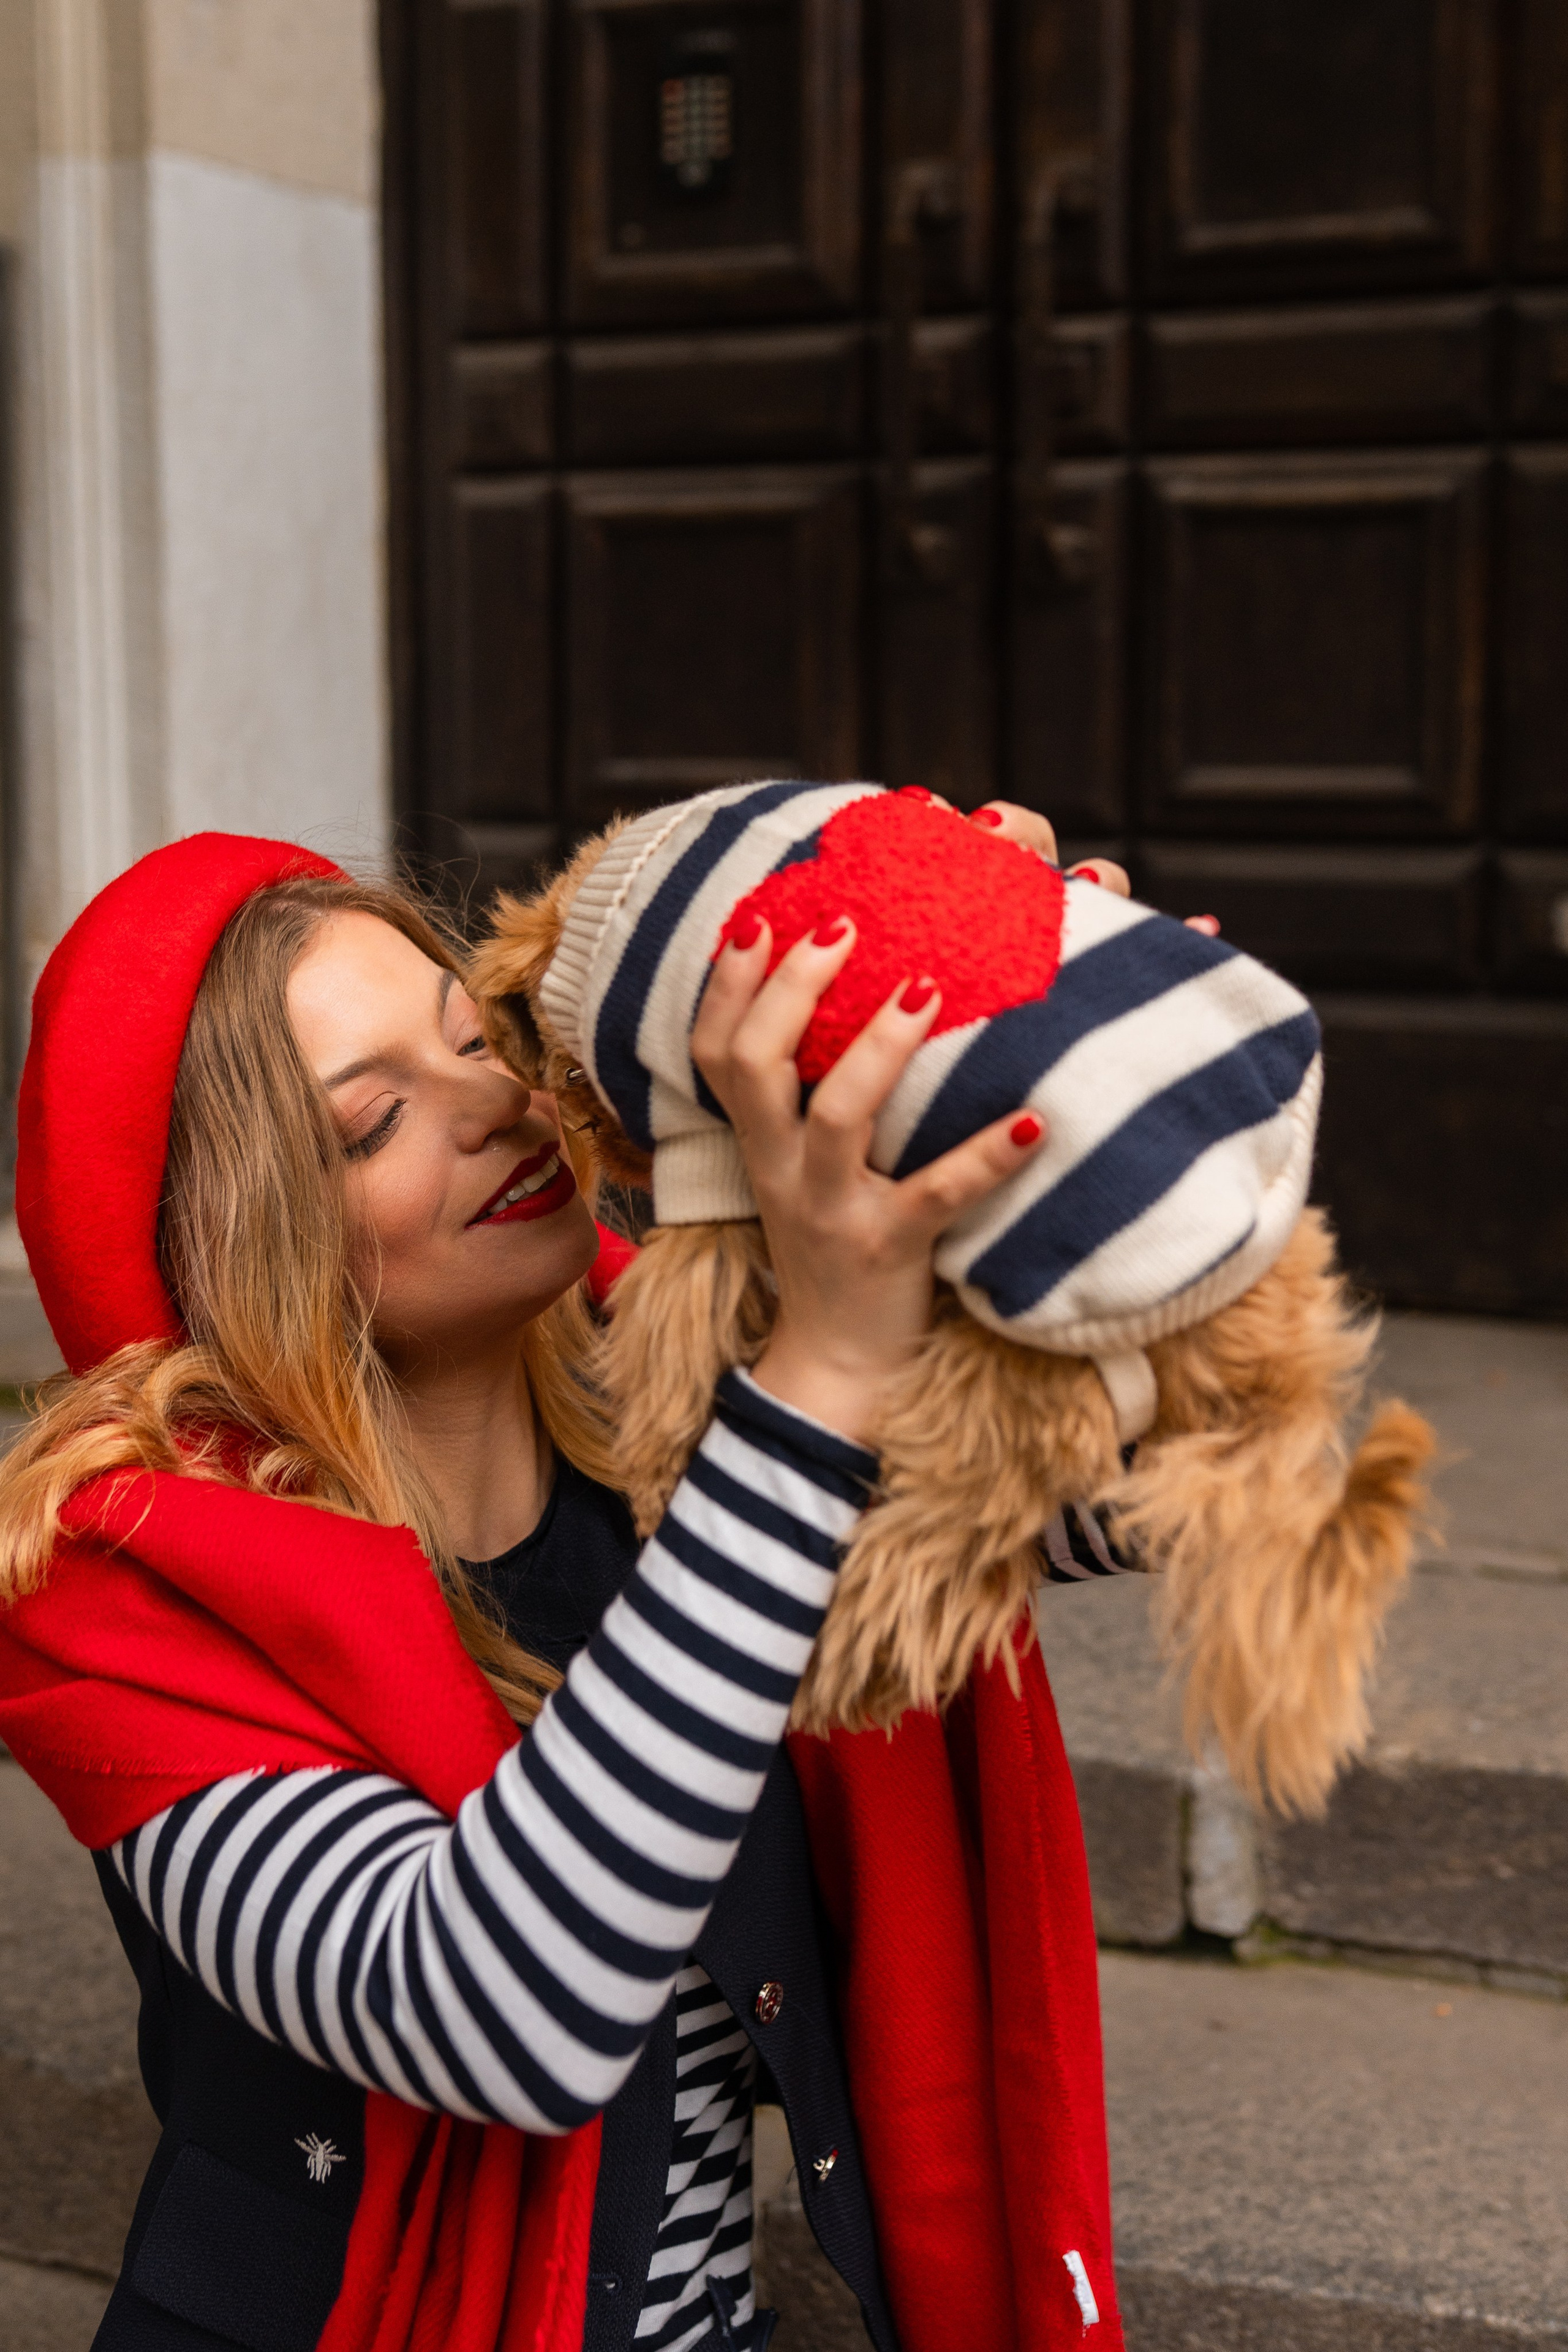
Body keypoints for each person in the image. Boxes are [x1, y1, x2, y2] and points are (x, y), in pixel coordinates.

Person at [0, 825, 1136, 2352]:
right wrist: (820, 1380)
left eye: (481, 1037)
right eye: (374, 1119)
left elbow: (1128, 1490)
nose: (495, 1104)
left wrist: (1070, 1101)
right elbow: (497, 2009)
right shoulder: (114, 1600)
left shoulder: (678, 1424)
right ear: (228, 1239)